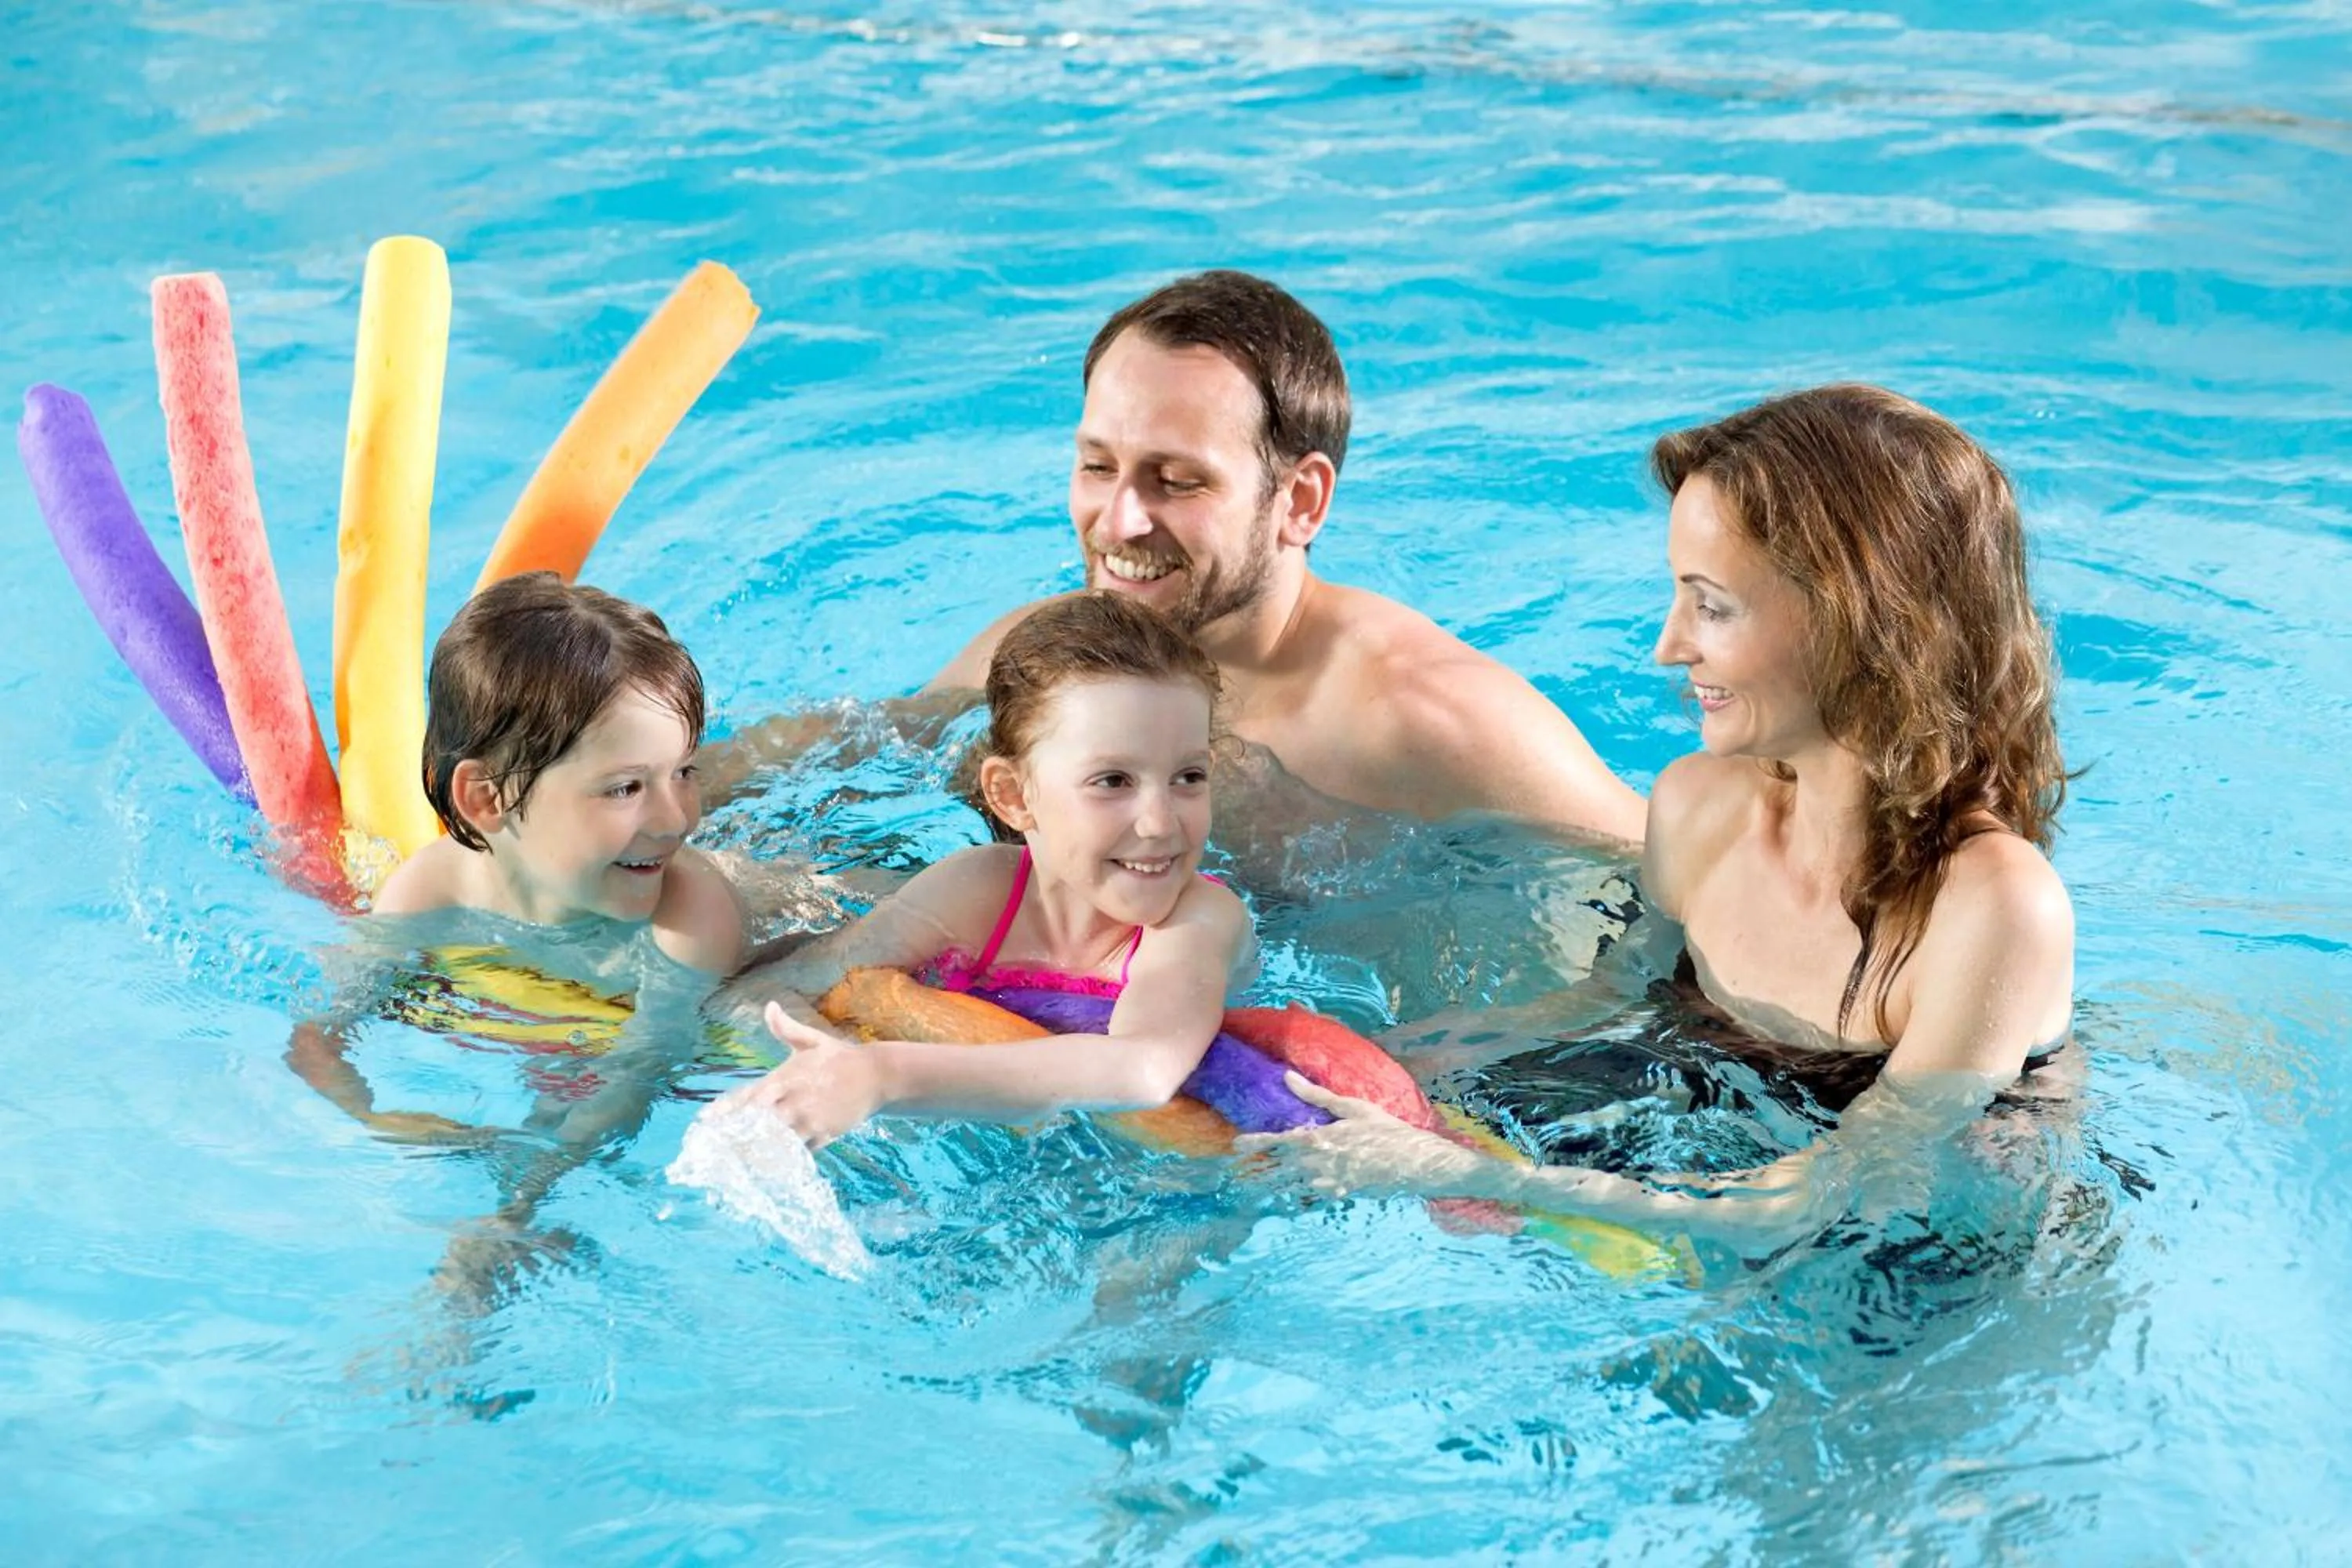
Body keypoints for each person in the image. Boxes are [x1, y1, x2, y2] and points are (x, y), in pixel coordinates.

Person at [1243, 384, 2076, 1249]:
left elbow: (1828, 1200)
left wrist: (1464, 1173)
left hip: (1921, 1254)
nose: (1669, 646)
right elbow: (1613, 1007)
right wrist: (1397, 1063)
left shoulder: (1994, 907)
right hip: (1721, 1131)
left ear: (1860, 620)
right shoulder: (1700, 806)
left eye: (1711, 605)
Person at [710, 270, 1646, 847]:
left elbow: (1674, 887)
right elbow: (845, 749)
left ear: (1301, 501)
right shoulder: (1048, 649)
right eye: (1097, 466)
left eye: (1177, 480)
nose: (1117, 521)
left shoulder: (1430, 718)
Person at [288, 573, 745, 1307]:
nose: (676, 819)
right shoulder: (432, 892)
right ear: (487, 798)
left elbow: (632, 1082)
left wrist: (513, 1209)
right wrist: (385, 1121)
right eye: (626, 788)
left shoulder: (693, 917)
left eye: (684, 772)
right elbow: (316, 1038)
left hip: (797, 883)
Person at [718, 591, 1254, 1145]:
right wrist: (833, 1067)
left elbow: (1143, 1070)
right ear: (1013, 796)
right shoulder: (979, 892)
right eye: (1113, 781)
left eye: (1189, 777)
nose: (1160, 823)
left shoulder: (1198, 920)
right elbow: (763, 991)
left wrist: (884, 1077)